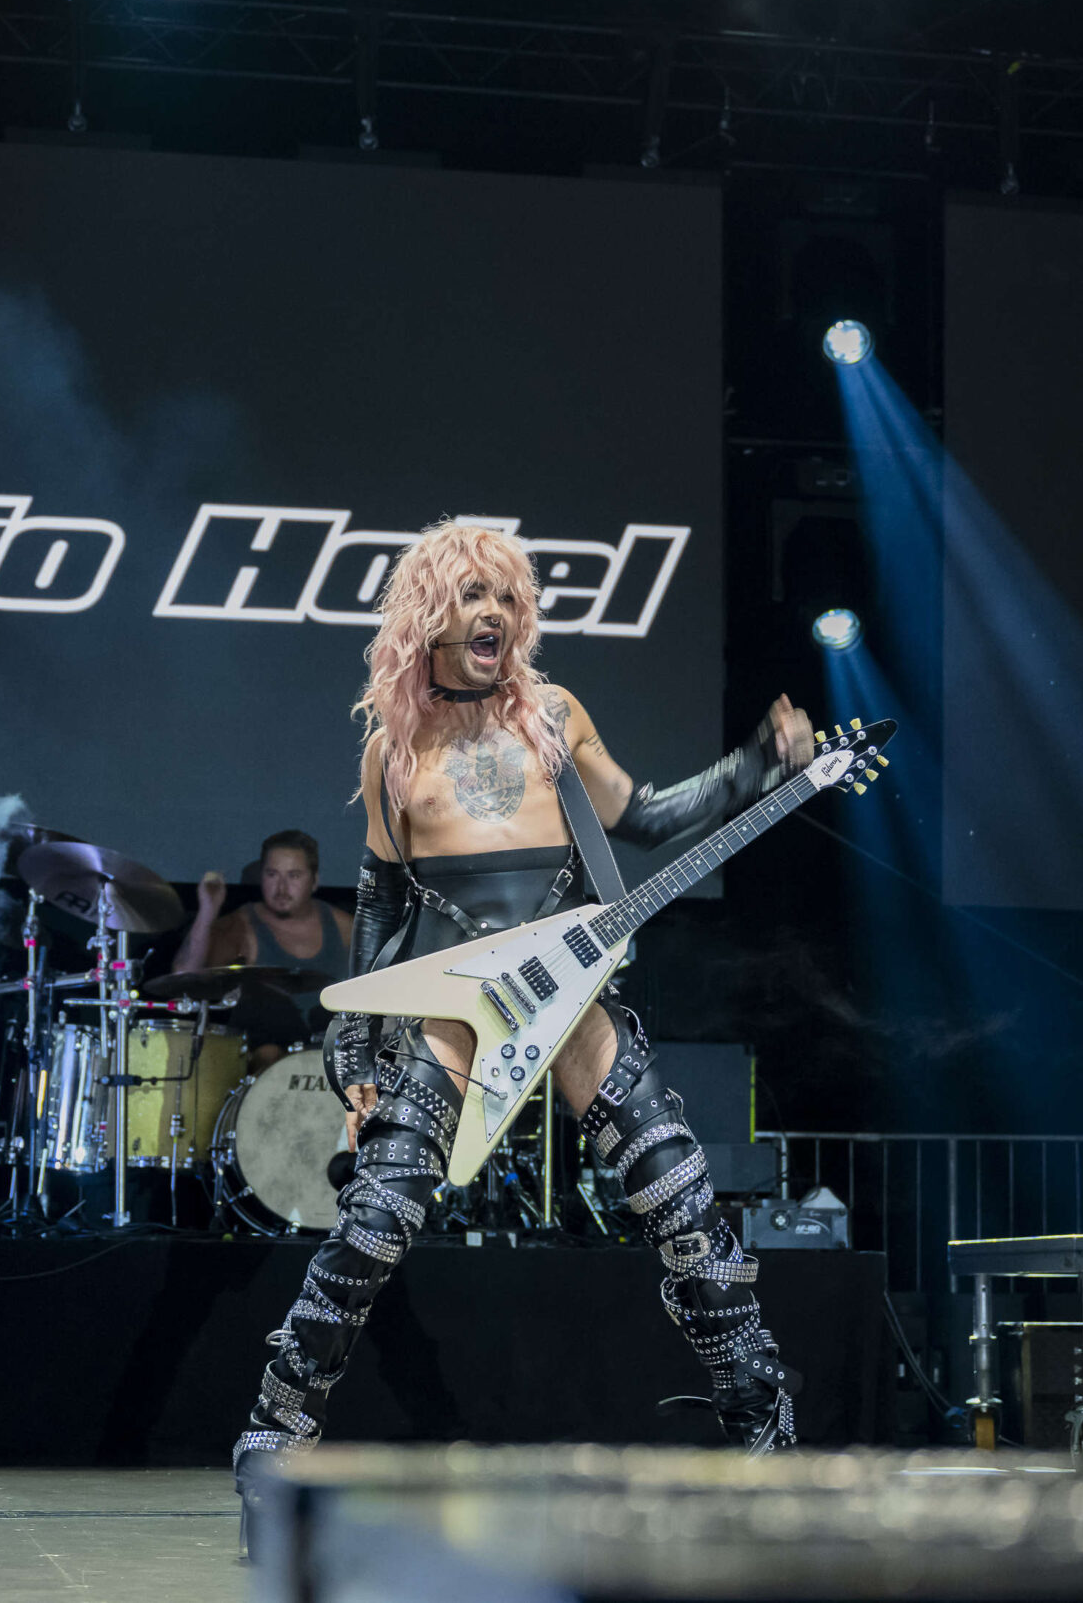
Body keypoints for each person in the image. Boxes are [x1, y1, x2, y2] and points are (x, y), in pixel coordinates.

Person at [232, 519, 815, 1536]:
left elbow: (647, 813)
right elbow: (378, 895)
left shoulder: (551, 714)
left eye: (504, 596)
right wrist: (361, 1032)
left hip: (569, 986)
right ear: (429, 617)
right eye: (469, 597)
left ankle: (766, 1426)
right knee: (375, 1219)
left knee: (679, 1196)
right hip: (456, 998)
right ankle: (273, 1435)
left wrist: (760, 761)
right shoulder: (392, 746)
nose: (492, 613)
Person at [173, 829, 353, 1070]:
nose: (281, 888)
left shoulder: (344, 926)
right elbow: (185, 975)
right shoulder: (243, 924)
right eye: (272, 874)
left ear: (314, 880)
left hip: (331, 1063)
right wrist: (207, 911)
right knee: (267, 1037)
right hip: (264, 1069)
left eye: (294, 875)